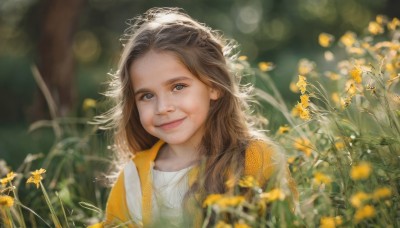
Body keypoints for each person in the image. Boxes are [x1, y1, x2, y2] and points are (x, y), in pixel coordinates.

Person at [94, 7, 297, 227]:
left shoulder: (257, 158)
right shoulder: (132, 178)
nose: (162, 107)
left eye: (178, 86)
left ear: (213, 86)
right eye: (147, 95)